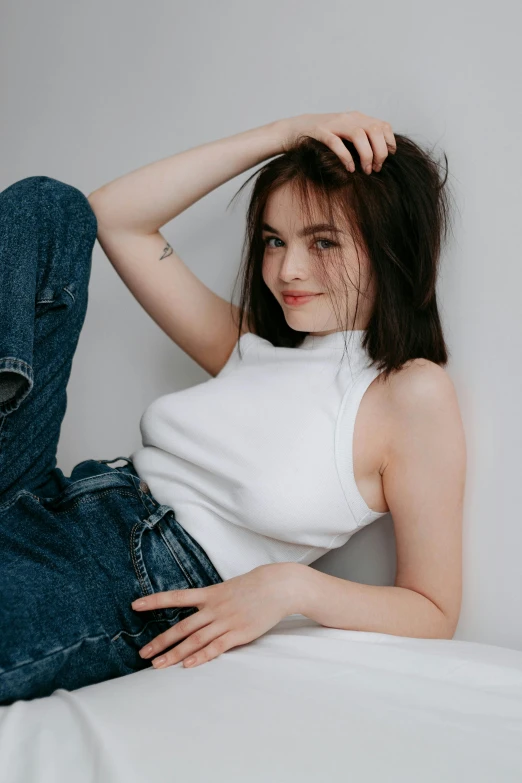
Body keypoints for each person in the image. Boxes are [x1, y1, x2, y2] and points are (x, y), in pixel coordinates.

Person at [0, 111, 466, 705]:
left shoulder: (409, 393)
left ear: (393, 249)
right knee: (48, 207)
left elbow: (433, 609)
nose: (285, 270)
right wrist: (287, 135)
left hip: (131, 575)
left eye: (322, 241)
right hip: (51, 494)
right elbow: (112, 216)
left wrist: (292, 587)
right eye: (275, 240)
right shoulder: (253, 347)